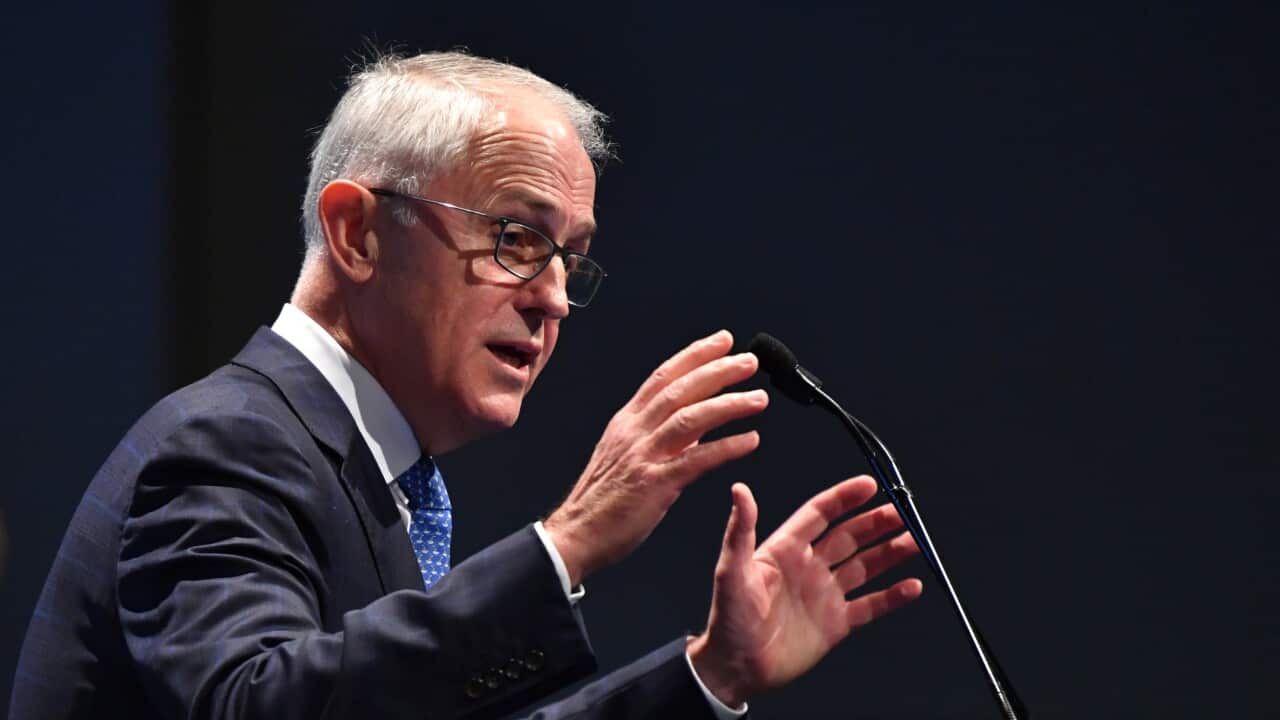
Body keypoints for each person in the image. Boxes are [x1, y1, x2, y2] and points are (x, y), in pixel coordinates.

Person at [10, 51, 922, 719]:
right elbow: (256, 709)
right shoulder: (229, 444)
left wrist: (709, 673)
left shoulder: (380, 483)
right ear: (357, 233)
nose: (556, 298)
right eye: (519, 240)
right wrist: (567, 544)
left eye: (572, 259)